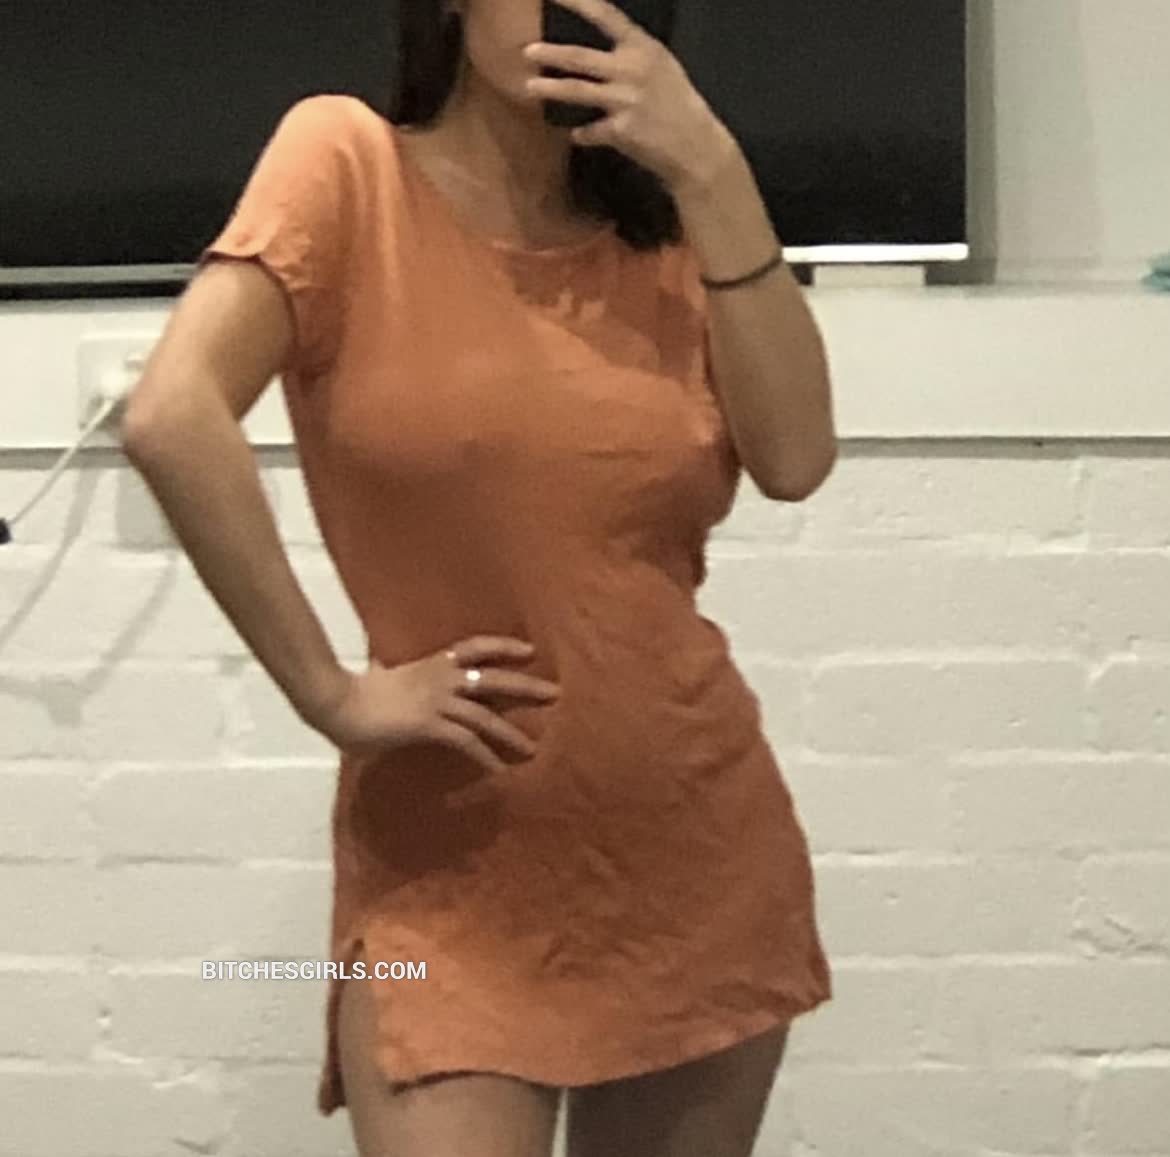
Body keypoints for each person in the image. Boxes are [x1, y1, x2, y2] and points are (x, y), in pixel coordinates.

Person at [121, 0, 836, 1153]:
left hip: (695, 862)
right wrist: (332, 693)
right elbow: (170, 413)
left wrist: (711, 166)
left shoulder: (669, 234)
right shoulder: (347, 165)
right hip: (445, 880)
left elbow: (796, 458)